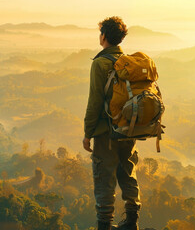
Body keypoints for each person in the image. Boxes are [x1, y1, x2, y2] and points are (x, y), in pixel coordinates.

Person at [83, 16, 141, 230]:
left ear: (104, 36)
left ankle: (105, 224)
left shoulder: (100, 63)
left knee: (104, 176)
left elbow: (95, 101)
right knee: (128, 170)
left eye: (100, 33)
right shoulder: (129, 63)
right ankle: (132, 221)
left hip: (105, 132)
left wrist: (87, 133)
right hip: (129, 129)